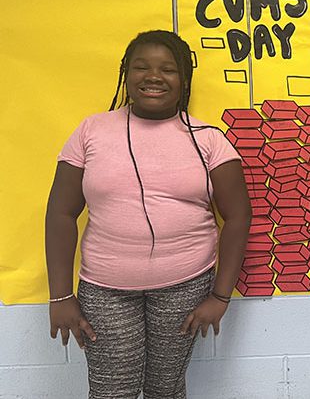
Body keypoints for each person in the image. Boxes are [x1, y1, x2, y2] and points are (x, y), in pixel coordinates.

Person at [45, 30, 251, 398]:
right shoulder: (91, 131)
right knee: (112, 392)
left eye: (168, 69)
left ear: (184, 79)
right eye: (141, 67)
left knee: (165, 390)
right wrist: (60, 296)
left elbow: (238, 217)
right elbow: (61, 212)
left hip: (185, 287)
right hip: (105, 291)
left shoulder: (209, 139)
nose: (153, 76)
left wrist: (220, 297)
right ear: (126, 74)